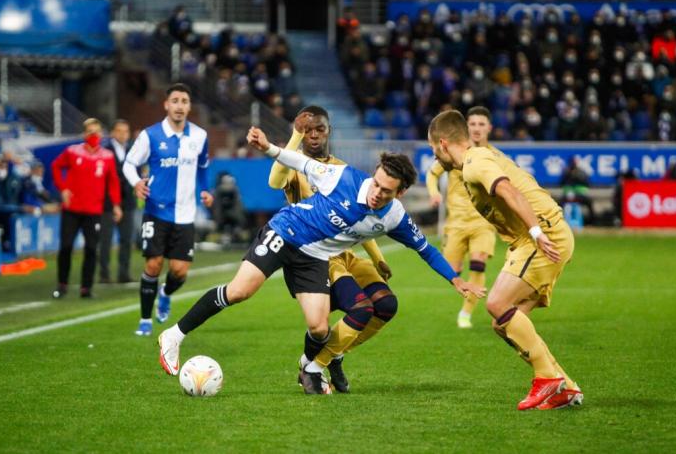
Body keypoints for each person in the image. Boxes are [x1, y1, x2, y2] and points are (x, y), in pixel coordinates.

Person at [157, 128, 485, 394]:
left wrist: (455, 279)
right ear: (373, 174)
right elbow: (299, 163)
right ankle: (174, 334)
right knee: (240, 291)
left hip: (314, 257)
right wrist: (269, 146)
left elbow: (425, 248)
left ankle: (310, 368)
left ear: (398, 194)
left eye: (386, 191)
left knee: (319, 327)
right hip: (284, 232)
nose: (377, 193)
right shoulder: (341, 177)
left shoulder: (395, 217)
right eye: (377, 184)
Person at [427, 109, 582, 411]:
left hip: (541, 236)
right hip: (535, 238)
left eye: (434, 149)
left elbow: (508, 190)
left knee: (497, 304)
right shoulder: (473, 161)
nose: (435, 156)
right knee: (504, 323)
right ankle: (565, 386)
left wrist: (537, 232)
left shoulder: (476, 163)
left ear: (443, 144)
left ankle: (546, 378)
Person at [268, 106, 397, 393]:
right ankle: (317, 363)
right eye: (307, 130)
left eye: (319, 129)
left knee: (387, 305)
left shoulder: (342, 168)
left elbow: (360, 219)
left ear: (329, 131)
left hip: (347, 254)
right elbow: (274, 182)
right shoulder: (295, 163)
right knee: (361, 307)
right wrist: (293, 137)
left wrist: (378, 259)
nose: (313, 135)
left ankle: (337, 353)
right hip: (317, 256)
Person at [123, 83, 214, 337]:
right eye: (175, 100)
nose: (179, 106)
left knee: (179, 271)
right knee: (153, 265)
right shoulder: (150, 135)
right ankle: (144, 319)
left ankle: (165, 293)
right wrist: (136, 182)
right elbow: (129, 164)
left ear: (189, 106)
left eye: (184, 101)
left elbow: (204, 166)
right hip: (156, 210)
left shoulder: (199, 136)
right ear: (166, 105)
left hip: (186, 213)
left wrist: (205, 190)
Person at [426, 106, 497, 328]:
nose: (476, 128)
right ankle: (468, 298)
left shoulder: (492, 156)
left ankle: (466, 313)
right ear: (466, 127)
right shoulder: (454, 153)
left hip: (481, 222)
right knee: (452, 272)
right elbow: (431, 173)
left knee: (478, 263)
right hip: (455, 223)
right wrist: (434, 192)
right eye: (472, 124)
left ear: (489, 128)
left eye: (481, 124)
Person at [51, 118, 123, 299]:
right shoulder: (73, 152)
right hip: (72, 209)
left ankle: (86, 288)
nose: (94, 136)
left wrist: (116, 205)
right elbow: (56, 167)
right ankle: (62, 284)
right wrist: (63, 189)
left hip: (93, 211)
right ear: (84, 134)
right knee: (66, 247)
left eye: (97, 132)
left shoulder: (107, 156)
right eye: (91, 132)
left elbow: (113, 182)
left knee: (91, 249)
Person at [98, 119, 136, 284]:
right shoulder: (104, 150)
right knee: (106, 240)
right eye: (119, 131)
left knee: (127, 239)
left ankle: (123, 273)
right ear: (113, 132)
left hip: (128, 202)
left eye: (125, 131)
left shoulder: (133, 150)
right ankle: (104, 274)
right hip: (107, 203)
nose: (123, 134)